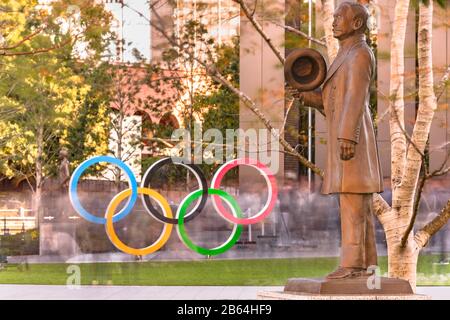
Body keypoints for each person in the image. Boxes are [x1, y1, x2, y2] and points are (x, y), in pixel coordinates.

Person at [297, 1, 383, 279]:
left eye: (338, 17)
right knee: (357, 205)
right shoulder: (346, 53)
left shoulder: (359, 54)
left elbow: (356, 98)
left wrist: (348, 136)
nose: (334, 22)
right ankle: (368, 267)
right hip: (349, 139)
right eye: (332, 17)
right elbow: (336, 99)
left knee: (353, 205)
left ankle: (352, 266)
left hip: (353, 140)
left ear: (356, 23)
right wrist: (311, 99)